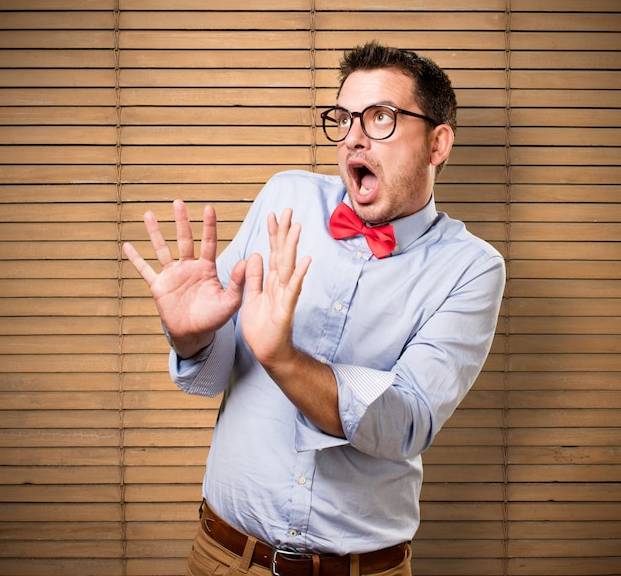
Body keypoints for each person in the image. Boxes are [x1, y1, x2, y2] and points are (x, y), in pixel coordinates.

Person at [124, 41, 505, 576]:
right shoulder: (287, 199)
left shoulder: (472, 268)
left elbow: (405, 426)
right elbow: (213, 375)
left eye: (380, 118)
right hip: (224, 557)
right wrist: (191, 338)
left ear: (438, 143)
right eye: (344, 118)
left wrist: (284, 357)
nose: (352, 138)